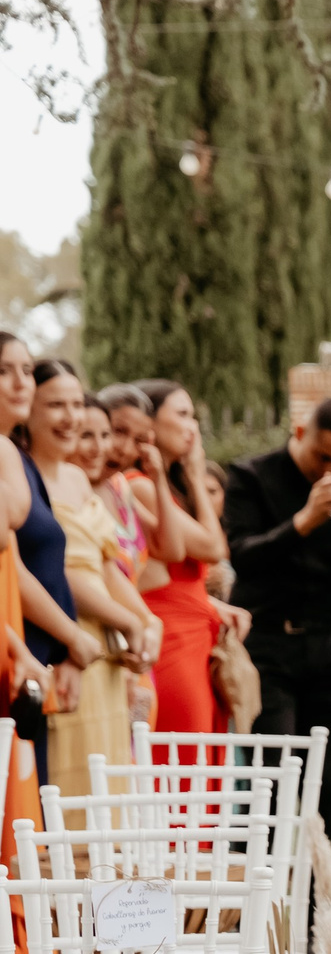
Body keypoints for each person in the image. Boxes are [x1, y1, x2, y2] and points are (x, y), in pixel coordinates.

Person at [222, 395, 331, 837]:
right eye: (323, 456)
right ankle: (270, 901)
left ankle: (321, 904)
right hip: (270, 649)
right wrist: (304, 521)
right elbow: (242, 556)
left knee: (329, 792)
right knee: (273, 788)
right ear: (300, 433)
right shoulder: (250, 477)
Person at [30, 365, 152, 798]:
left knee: (108, 784)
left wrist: (141, 621)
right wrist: (128, 619)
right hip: (63, 639)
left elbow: (105, 567)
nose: (71, 417)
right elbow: (55, 571)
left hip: (104, 649)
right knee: (67, 788)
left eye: (77, 404)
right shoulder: (24, 476)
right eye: (56, 405)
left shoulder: (78, 477)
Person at [112, 382, 239, 751]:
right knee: (183, 760)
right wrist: (197, 474)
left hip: (194, 636)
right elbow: (213, 548)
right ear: (150, 424)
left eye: (194, 416)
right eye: (182, 415)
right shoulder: (138, 485)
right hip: (171, 640)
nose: (193, 428)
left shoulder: (165, 488)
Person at [0, 340, 91, 791]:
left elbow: (50, 565)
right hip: (13, 653)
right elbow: (10, 564)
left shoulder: (17, 459)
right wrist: (73, 637)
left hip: (33, 660)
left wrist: (64, 648)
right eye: (5, 371)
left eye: (26, 370)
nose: (21, 382)